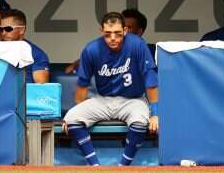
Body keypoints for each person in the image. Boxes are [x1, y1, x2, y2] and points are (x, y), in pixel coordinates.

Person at [63, 12, 158, 166]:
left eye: (117, 33)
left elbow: (151, 80)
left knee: (140, 123)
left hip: (133, 99)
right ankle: (95, 166)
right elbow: (82, 84)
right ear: (101, 31)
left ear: (125, 30)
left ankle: (122, 167)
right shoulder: (91, 49)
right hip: (103, 100)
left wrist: (155, 114)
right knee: (72, 118)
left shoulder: (137, 44)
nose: (113, 37)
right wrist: (75, 112)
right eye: (108, 34)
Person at [65, 8, 155, 74]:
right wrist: (76, 64)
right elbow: (69, 71)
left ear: (139, 32)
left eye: (129, 27)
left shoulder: (150, 51)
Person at [0, 9, 49, 83]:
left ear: (21, 30)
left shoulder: (36, 54)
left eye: (8, 29)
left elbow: (41, 88)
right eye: (1, 29)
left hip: (25, 94)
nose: (3, 33)